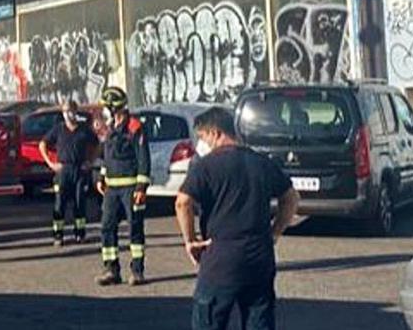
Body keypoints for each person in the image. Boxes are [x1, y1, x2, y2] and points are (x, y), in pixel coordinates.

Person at [174, 107, 301, 330]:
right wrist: (275, 232)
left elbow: (182, 202)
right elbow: (291, 198)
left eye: (202, 137)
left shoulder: (205, 167)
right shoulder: (261, 162)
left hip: (220, 259)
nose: (202, 143)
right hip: (259, 258)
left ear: (215, 133)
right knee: (258, 321)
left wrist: (190, 240)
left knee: (209, 320)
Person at [95, 86, 151, 286]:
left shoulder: (135, 127)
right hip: (111, 190)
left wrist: (141, 188)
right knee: (107, 228)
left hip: (130, 189)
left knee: (135, 228)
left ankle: (137, 271)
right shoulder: (110, 128)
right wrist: (101, 177)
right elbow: (106, 155)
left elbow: (144, 158)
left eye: (105, 107)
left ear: (114, 107)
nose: (103, 111)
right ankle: (111, 269)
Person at [39, 99, 99, 247]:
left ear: (75, 112)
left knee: (80, 202)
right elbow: (43, 144)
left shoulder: (84, 129)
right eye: (65, 111)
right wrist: (50, 163)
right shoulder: (58, 129)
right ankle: (58, 235)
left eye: (71, 111)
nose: (68, 114)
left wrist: (90, 162)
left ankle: (80, 233)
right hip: (63, 171)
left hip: (79, 170)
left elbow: (97, 145)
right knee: (60, 204)